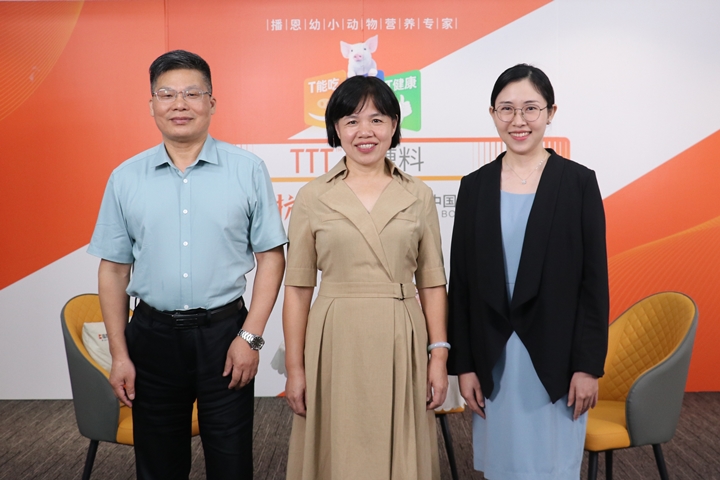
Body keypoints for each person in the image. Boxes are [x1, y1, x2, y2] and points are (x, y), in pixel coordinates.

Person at [88, 50, 287, 480]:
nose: (180, 104)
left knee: (232, 461)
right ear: (152, 105)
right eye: (167, 94)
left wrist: (250, 338)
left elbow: (271, 257)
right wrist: (119, 354)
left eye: (192, 93)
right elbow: (114, 270)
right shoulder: (126, 177)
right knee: (159, 464)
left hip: (225, 335)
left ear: (211, 102)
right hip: (152, 337)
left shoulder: (247, 170)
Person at [447, 64, 609, 480]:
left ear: (551, 112)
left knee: (552, 466)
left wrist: (588, 366)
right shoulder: (474, 186)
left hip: (557, 357)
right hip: (494, 355)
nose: (518, 120)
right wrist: (464, 365)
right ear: (492, 114)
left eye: (530, 108)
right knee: (502, 467)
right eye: (506, 109)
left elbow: (594, 284)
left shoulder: (578, 183)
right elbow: (461, 285)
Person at [282, 75, 449, 480]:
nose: (365, 131)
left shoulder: (419, 194)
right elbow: (298, 289)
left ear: (394, 125)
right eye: (352, 120)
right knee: (337, 445)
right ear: (336, 129)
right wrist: (295, 368)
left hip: (400, 332)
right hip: (335, 336)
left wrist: (439, 355)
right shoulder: (312, 196)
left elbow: (431, 283)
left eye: (376, 119)